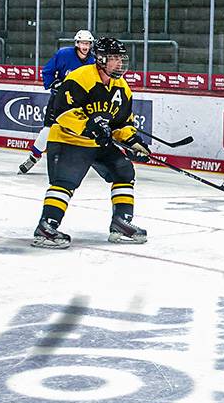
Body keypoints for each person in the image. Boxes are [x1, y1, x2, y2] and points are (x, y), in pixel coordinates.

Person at [32, 37, 152, 248]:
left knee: (124, 171)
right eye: (114, 58)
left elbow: (122, 123)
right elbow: (62, 111)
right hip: (69, 139)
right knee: (65, 182)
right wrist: (89, 126)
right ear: (101, 58)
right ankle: (46, 227)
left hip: (96, 143)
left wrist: (133, 141)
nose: (119, 63)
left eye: (121, 59)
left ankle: (121, 223)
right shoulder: (80, 78)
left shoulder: (122, 87)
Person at [19, 29, 96, 173]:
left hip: (80, 103)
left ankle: (86, 161)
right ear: (77, 43)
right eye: (82, 43)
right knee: (48, 129)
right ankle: (33, 158)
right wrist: (53, 83)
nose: (85, 46)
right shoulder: (64, 54)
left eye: (87, 43)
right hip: (59, 100)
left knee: (84, 131)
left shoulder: (93, 61)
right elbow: (48, 71)